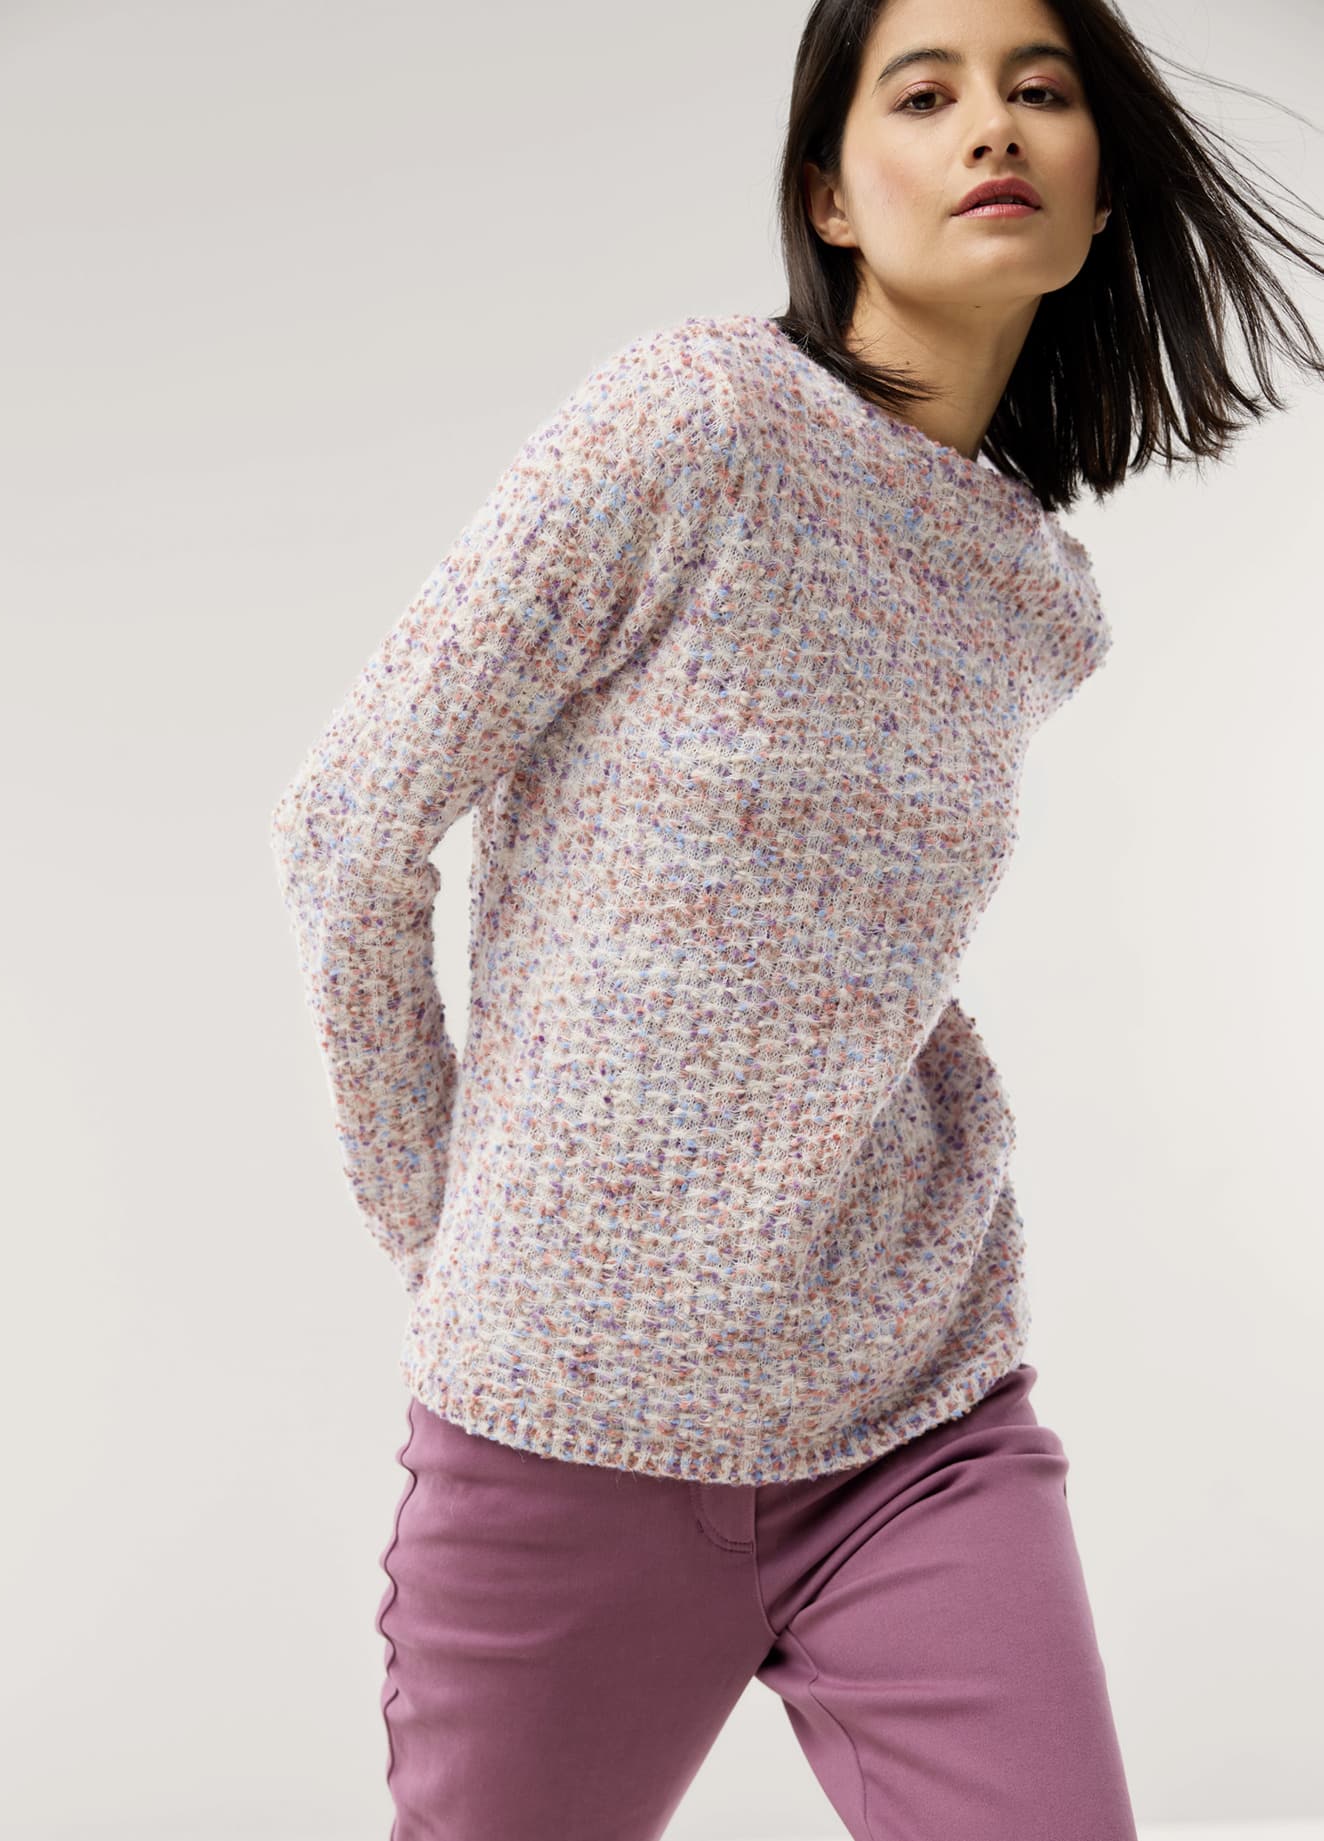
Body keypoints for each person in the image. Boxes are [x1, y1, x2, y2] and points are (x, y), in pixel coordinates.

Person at [268, 1, 1324, 1835]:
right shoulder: (691, 422)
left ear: (1096, 196)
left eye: (1042, 90)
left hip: (912, 1418)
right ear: (830, 195)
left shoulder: (1034, 597)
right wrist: (440, 1227)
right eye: (926, 92)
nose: (993, 124)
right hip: (560, 1430)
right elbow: (349, 826)